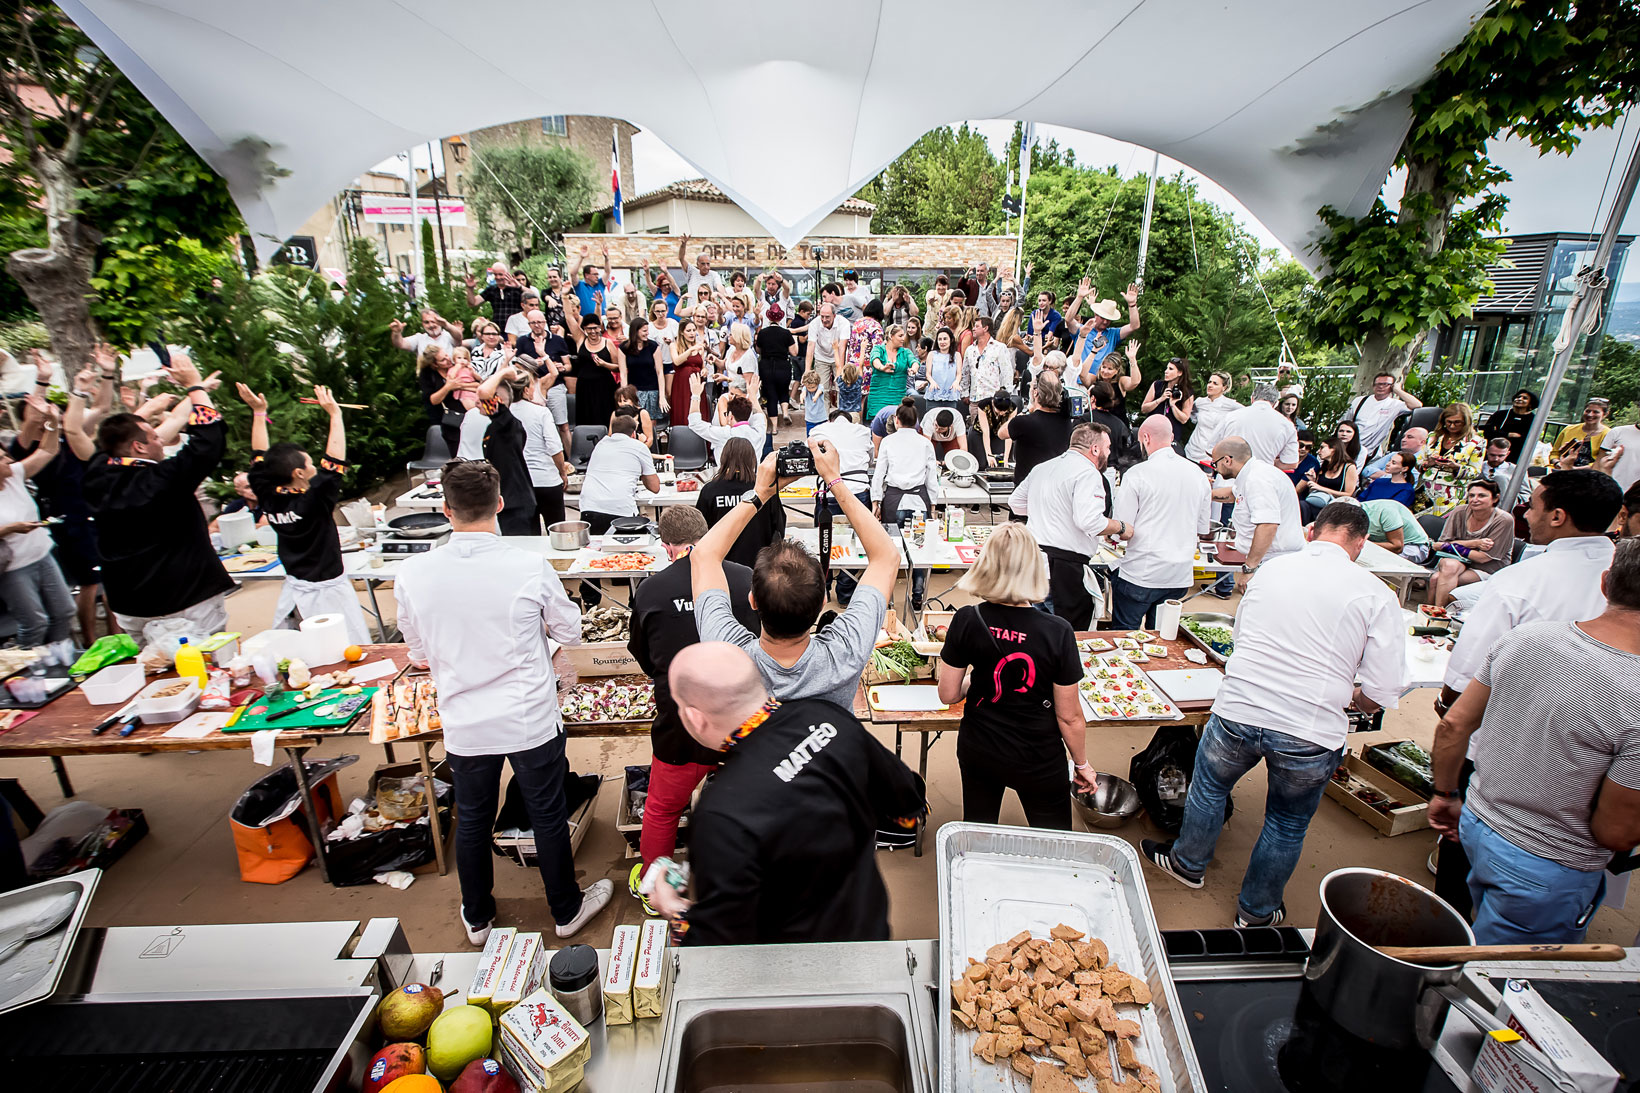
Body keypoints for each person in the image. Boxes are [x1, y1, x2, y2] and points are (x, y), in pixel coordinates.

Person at [1143, 502, 1406, 927]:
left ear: (1312, 532)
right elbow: (1383, 687)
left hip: (1240, 708)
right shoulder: (1375, 592)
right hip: (1310, 727)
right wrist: (1356, 700)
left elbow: (1240, 639)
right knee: (1286, 822)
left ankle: (1188, 865)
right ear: (1359, 544)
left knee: (1209, 788)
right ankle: (1256, 911)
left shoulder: (1271, 570)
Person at [396, 460, 612, 944]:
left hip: (465, 720)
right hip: (527, 715)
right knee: (546, 813)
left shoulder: (413, 572)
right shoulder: (526, 565)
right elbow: (570, 630)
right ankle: (565, 909)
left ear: (446, 510)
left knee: (472, 818)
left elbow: (417, 651)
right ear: (499, 503)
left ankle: (477, 917)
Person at [1429, 538, 1640, 944]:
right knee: (1503, 984)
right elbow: (1616, 832)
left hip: (1478, 821)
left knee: (1467, 945)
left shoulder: (1527, 638)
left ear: (1605, 584)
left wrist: (1445, 793)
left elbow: (1453, 726)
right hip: (1551, 863)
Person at [647, 642, 924, 944]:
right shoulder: (824, 715)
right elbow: (907, 803)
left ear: (695, 717)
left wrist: (673, 909)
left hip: (793, 972)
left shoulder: (720, 816)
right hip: (867, 929)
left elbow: (720, 940)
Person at [693, 440, 897, 708]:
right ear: (823, 601)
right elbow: (886, 557)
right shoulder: (844, 653)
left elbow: (703, 555)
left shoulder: (730, 655)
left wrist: (758, 496)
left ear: (753, 600)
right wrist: (835, 481)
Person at [627, 507, 759, 889]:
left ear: (668, 548)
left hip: (679, 723)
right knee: (746, 807)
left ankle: (659, 889)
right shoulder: (743, 578)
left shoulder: (651, 590)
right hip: (739, 722)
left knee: (663, 809)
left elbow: (644, 655)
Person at [936, 523, 1097, 828]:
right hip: (1037, 755)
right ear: (1034, 567)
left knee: (978, 831)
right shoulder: (1057, 630)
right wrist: (1082, 764)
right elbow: (1069, 717)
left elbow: (948, 694)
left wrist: (980, 676)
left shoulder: (968, 619)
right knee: (1055, 840)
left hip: (979, 747)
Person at [84, 353, 233, 638]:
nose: (161, 441)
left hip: (130, 603)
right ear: (139, 448)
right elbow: (208, 442)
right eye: (155, 437)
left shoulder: (95, 474)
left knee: (155, 672)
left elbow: (116, 439)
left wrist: (148, 409)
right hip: (187, 597)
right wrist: (194, 386)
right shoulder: (164, 479)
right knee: (207, 665)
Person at [236, 383, 371, 643]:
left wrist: (259, 412)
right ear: (298, 474)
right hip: (328, 590)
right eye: (309, 463)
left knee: (306, 649)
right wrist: (335, 414)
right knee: (346, 650)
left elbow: (257, 456)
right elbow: (334, 464)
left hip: (295, 585)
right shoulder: (313, 501)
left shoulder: (267, 493)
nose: (313, 466)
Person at [1010, 423, 1133, 629]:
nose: (1109, 452)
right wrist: (1120, 527)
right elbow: (1089, 521)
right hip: (1063, 569)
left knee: (1038, 628)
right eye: (1108, 447)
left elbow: (1016, 503)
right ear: (1095, 449)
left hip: (1034, 561)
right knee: (1069, 633)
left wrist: (1050, 512)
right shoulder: (1088, 473)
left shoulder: (1043, 467)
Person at [1111, 416, 1212, 629]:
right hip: (1179, 575)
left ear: (1145, 438)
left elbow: (1124, 529)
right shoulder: (1198, 474)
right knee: (1162, 638)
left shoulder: (1138, 474)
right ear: (1172, 437)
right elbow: (1203, 528)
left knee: (1124, 639)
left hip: (1142, 573)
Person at [0, 402, 73, 647]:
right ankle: (21, 672)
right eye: (2, 459)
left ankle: (59, 661)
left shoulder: (13, 476)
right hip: (13, 567)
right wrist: (10, 529)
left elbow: (47, 451)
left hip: (42, 555)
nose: (9, 461)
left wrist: (52, 422)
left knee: (64, 611)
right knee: (34, 623)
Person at [1210, 436, 1305, 591]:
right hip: (1270, 560)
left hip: (1275, 562)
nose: (1215, 468)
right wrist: (1203, 493)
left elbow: (1267, 524)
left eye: (1215, 463)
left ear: (1227, 460)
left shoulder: (1257, 479)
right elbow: (1233, 494)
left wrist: (1250, 568)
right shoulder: (1253, 474)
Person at [871, 400, 938, 608]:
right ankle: (918, 595)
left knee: (891, 550)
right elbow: (932, 477)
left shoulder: (888, 442)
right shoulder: (925, 443)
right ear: (916, 422)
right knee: (919, 549)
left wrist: (876, 502)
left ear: (896, 420)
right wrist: (933, 505)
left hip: (893, 500)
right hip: (920, 501)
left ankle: (889, 599)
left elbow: (879, 474)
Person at [696, 437, 786, 569]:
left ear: (724, 458)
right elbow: (779, 527)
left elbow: (699, 531)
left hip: (719, 565)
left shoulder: (710, 490)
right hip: (758, 567)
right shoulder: (764, 488)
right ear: (752, 459)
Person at [1427, 480, 1514, 606]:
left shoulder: (1504, 520)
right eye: (1471, 495)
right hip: (1457, 560)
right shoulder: (1459, 511)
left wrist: (1452, 545)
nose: (1475, 499)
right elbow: (1443, 544)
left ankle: (1438, 615)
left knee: (1437, 579)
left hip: (1487, 568)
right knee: (1448, 567)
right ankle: (1435, 615)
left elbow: (1483, 558)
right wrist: (1475, 543)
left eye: (1481, 496)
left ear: (1495, 498)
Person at [577, 416, 660, 534]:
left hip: (589, 510)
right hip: (622, 513)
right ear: (633, 434)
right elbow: (655, 487)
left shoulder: (600, 445)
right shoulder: (639, 447)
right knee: (630, 550)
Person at [511, 367, 569, 529]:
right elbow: (554, 447)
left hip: (519, 481)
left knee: (528, 533)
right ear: (526, 389)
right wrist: (562, 472)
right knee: (557, 529)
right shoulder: (541, 412)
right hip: (546, 479)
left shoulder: (504, 413)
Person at [561, 290, 624, 427]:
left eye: (595, 328)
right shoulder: (580, 340)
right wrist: (565, 296)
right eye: (589, 329)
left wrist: (604, 364)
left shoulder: (608, 343)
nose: (593, 331)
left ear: (600, 328)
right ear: (584, 329)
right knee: (586, 418)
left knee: (605, 417)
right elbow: (569, 318)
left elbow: (619, 366)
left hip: (605, 386)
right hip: (585, 387)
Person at [1000, 371, 1072, 487]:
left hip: (1028, 489)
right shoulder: (1066, 421)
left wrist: (1026, 412)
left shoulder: (1024, 422)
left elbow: (1001, 433)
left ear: (1035, 392)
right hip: (1054, 487)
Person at [1066, 280, 1141, 385]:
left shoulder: (1113, 334)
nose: (1105, 321)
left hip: (1101, 384)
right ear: (1096, 314)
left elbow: (1134, 326)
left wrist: (1132, 305)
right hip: (1077, 382)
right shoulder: (1084, 329)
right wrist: (1079, 297)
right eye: (1102, 317)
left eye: (1109, 319)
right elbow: (1068, 319)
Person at [1214, 385, 1299, 470]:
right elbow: (1291, 463)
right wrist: (1267, 463)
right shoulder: (1287, 425)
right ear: (1276, 403)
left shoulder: (1231, 416)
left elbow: (1211, 449)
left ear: (1252, 398)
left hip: (1229, 476)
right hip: (1262, 476)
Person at [1344, 371, 1423, 462]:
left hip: (1371, 452)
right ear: (1373, 386)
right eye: (1378, 384)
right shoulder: (1359, 401)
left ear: (1391, 387)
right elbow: (1346, 422)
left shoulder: (1395, 404)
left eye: (1385, 384)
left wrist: (1398, 390)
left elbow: (1417, 405)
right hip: (1350, 448)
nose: (1381, 387)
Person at [688, 373, 766, 463]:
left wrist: (695, 395)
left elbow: (694, 423)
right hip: (752, 476)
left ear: (730, 417)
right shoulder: (758, 433)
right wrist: (753, 396)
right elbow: (760, 417)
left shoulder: (725, 434)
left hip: (726, 476)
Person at [808, 409, 874, 503]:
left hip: (830, 490)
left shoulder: (818, 430)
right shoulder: (863, 431)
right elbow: (870, 459)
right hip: (859, 488)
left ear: (829, 421)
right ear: (850, 422)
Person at [754, 316, 796, 445]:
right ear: (780, 319)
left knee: (771, 395)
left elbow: (758, 350)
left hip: (766, 366)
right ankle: (784, 412)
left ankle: (774, 427)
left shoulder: (762, 333)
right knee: (783, 391)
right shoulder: (786, 333)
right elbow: (794, 352)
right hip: (783, 365)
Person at [1299, 433, 1361, 519]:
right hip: (1318, 503)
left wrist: (1320, 488)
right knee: (1302, 505)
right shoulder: (1324, 467)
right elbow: (1314, 492)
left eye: (1322, 447)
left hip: (1335, 508)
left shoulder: (1349, 467)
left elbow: (1348, 493)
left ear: (1334, 449)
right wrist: (1312, 481)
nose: (1318, 451)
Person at [1186, 372, 1241, 464]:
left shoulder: (1231, 405)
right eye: (1209, 382)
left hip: (1213, 454)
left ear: (1224, 388)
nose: (1210, 385)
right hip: (1193, 451)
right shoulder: (1199, 402)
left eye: (1215, 383)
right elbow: (1191, 414)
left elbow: (1246, 414)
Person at [1140, 357, 1195, 448]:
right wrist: (1160, 399)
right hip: (1152, 430)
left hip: (1171, 435)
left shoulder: (1187, 392)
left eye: (1170, 369)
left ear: (1180, 373)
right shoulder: (1157, 385)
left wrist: (1173, 405)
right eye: (1166, 368)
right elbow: (1144, 408)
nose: (1166, 371)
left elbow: (1184, 419)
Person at [804, 301, 850, 408]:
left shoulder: (844, 323)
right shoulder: (814, 324)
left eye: (827, 317)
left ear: (834, 315)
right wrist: (807, 370)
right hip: (821, 357)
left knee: (841, 388)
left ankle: (841, 415)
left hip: (838, 356)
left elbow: (842, 348)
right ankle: (823, 419)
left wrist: (840, 370)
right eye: (822, 316)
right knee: (822, 389)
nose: (824, 320)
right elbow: (810, 346)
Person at [863, 323, 913, 421]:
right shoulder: (878, 349)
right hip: (878, 397)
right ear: (891, 336)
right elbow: (874, 360)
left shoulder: (906, 352)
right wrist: (882, 367)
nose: (903, 338)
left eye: (904, 335)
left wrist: (913, 369)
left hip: (897, 397)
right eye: (900, 336)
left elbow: (914, 362)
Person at [621, 318, 668, 422]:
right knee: (634, 422)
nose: (647, 333)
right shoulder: (624, 348)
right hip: (633, 391)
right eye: (644, 331)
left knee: (651, 424)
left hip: (652, 390)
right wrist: (624, 395)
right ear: (635, 331)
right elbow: (623, 374)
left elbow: (660, 372)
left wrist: (661, 396)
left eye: (647, 330)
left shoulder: (653, 346)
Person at [1361, 497, 1431, 562]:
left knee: (1371, 559)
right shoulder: (1354, 511)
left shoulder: (1386, 511)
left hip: (1413, 546)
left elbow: (1397, 547)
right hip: (1384, 542)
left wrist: (1365, 544)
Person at [668, 317, 709, 427]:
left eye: (694, 330)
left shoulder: (699, 346)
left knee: (699, 411)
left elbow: (702, 366)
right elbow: (676, 361)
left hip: (696, 384)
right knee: (683, 411)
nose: (692, 333)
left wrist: (705, 370)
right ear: (682, 332)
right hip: (682, 385)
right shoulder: (674, 345)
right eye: (688, 331)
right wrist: (690, 350)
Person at [1424, 402, 1482, 475]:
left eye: (1457, 422)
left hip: (1455, 484)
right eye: (1449, 422)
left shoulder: (1476, 442)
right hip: (1427, 484)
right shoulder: (1433, 436)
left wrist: (1457, 467)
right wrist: (1428, 463)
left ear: (1466, 422)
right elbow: (1418, 463)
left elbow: (1475, 472)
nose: (1452, 426)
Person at [1484, 389, 1539, 463]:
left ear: (1530, 403)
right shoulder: (1500, 415)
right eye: (1518, 397)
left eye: (1524, 398)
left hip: (1517, 456)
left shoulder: (1534, 420)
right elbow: (1488, 432)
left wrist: (1499, 433)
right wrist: (1508, 434)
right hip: (1494, 452)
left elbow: (1528, 439)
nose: (1520, 399)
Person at [465, 264, 525, 331]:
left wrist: (519, 287)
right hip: (498, 330)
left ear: (508, 274)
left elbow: (534, 296)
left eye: (500, 274)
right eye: (495, 275)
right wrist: (470, 288)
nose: (498, 277)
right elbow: (473, 303)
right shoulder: (491, 289)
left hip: (517, 329)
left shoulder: (517, 288)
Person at [1552, 398, 1610, 467]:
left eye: (1596, 412)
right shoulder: (1568, 429)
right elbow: (1554, 453)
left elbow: (1603, 461)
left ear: (1605, 414)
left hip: (1590, 473)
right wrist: (1557, 463)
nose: (1590, 415)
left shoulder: (1608, 434)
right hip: (1562, 468)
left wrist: (1575, 469)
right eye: (1587, 411)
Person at [1362, 427, 1427, 485]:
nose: (1403, 440)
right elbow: (1367, 470)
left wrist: (1380, 478)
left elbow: (1412, 481)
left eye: (1409, 437)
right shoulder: (1393, 455)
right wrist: (1389, 476)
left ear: (1422, 442)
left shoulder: (1424, 461)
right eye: (1403, 437)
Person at [391, 308, 464, 356]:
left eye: (433, 321)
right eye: (426, 322)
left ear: (440, 321)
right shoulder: (419, 338)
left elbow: (459, 338)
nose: (431, 325)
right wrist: (396, 333)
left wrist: (447, 325)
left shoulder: (448, 335)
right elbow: (400, 344)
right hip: (427, 377)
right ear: (422, 324)